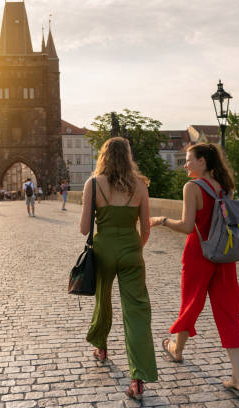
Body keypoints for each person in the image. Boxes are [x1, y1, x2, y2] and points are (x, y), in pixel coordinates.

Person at [150, 143, 239, 398]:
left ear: (202, 161)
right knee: (228, 312)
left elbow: (187, 226)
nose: (185, 164)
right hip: (224, 255)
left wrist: (161, 220)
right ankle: (238, 377)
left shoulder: (191, 187)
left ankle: (176, 349)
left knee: (191, 304)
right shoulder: (224, 187)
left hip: (199, 253)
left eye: (189, 159)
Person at [80, 137, 156, 400]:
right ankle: (138, 377)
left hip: (104, 250)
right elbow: (146, 228)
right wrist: (135, 248)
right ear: (128, 157)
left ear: (103, 156)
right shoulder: (141, 186)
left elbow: (83, 229)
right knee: (136, 311)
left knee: (103, 300)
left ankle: (101, 347)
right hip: (131, 250)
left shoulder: (93, 184)